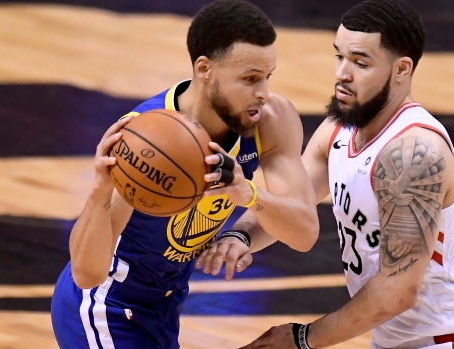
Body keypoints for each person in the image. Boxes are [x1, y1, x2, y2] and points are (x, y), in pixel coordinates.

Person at [198, 0, 454, 348]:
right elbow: (292, 205)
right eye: (340, 56)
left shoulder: (412, 153)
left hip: (452, 340)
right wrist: (240, 237)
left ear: (401, 69)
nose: (342, 74)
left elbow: (397, 290)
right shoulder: (339, 130)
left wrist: (304, 339)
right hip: (396, 339)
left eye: (360, 62)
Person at [50, 1, 319, 348]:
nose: (263, 93)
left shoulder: (270, 119)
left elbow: (304, 231)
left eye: (268, 77)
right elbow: (86, 274)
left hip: (165, 303)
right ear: (205, 68)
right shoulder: (143, 139)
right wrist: (100, 192)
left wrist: (246, 204)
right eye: (249, 79)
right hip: (105, 307)